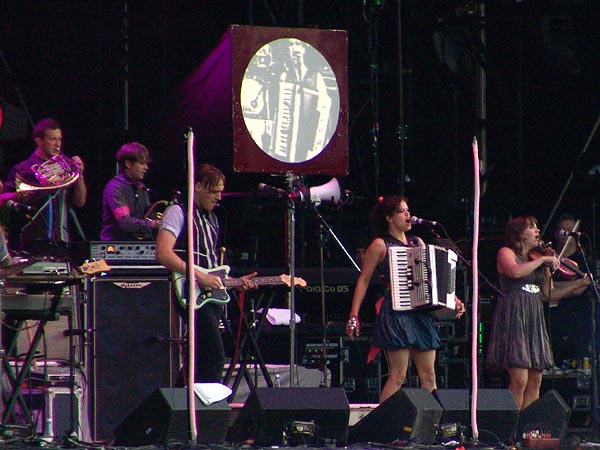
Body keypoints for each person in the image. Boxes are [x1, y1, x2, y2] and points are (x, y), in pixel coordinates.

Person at [345, 195, 465, 403]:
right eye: (402, 211)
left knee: (429, 375)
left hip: (420, 312)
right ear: (389, 217)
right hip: (396, 311)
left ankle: (430, 421)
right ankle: (384, 420)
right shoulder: (380, 245)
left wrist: (452, 297)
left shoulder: (417, 242)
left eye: (408, 210)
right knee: (398, 375)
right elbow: (363, 281)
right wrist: (354, 315)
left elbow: (432, 277)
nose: (408, 214)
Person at [156, 163, 257, 383]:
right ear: (198, 186)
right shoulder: (177, 212)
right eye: (214, 191)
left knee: (200, 358)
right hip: (188, 290)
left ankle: (180, 398)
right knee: (213, 354)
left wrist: (234, 282)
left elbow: (212, 267)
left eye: (221, 191)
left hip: (209, 295)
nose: (219, 197)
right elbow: (163, 253)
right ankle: (205, 402)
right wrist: (199, 276)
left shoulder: (212, 219)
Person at [486, 216, 590, 410]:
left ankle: (528, 425)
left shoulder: (540, 259)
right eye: (532, 228)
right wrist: (543, 259)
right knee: (519, 380)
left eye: (537, 227)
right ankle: (512, 425)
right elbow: (515, 272)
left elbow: (548, 294)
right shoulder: (506, 252)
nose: (537, 231)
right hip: (515, 315)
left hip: (534, 317)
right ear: (519, 234)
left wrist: (577, 284)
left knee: (535, 380)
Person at [3, 118, 86, 257]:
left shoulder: (65, 167)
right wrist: (28, 193)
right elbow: (3, 199)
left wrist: (80, 175)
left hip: (61, 240)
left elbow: (80, 202)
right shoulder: (23, 169)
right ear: (39, 141)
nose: (57, 144)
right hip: (32, 240)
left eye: (59, 139)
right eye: (52, 139)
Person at [547, 213, 595, 366]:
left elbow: (579, 290)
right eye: (562, 229)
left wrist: (556, 287)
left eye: (570, 229)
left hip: (576, 317)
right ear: (556, 234)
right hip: (553, 318)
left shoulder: (584, 261)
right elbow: (546, 287)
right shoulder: (549, 259)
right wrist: (574, 284)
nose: (566, 233)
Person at [100, 142, 160, 241]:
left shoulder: (141, 187)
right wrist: (153, 224)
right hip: (116, 244)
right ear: (128, 164)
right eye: (142, 163)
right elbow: (125, 223)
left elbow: (149, 214)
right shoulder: (115, 188)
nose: (146, 167)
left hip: (138, 243)